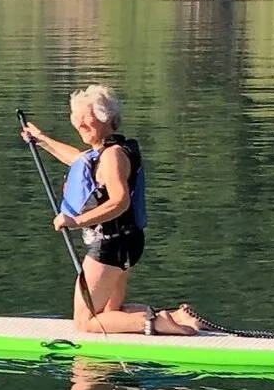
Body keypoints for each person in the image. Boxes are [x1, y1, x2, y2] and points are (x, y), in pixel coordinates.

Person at [20, 85, 208, 337]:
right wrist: (41, 139)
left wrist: (76, 220)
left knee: (86, 321)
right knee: (111, 311)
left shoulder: (112, 156)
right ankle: (177, 316)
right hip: (124, 242)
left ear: (106, 119)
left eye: (87, 118)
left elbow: (120, 202)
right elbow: (78, 160)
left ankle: (160, 322)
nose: (80, 123)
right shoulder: (104, 152)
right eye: (76, 118)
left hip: (110, 246)